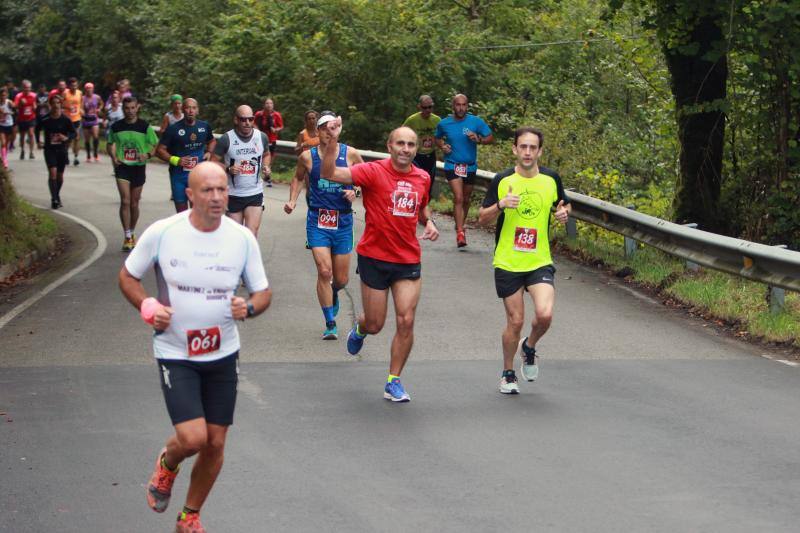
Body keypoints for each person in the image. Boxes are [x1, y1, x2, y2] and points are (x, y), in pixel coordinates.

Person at [118, 162, 271, 533]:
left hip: (223, 353)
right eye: (208, 190)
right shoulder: (163, 233)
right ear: (190, 195)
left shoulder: (241, 238)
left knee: (215, 442)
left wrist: (248, 307)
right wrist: (148, 307)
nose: (217, 197)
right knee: (192, 438)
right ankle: (168, 463)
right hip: (176, 352)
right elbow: (127, 277)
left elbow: (263, 292)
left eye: (222, 190)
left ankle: (189, 515)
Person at [320, 117, 439, 402]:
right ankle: (360, 329)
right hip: (374, 256)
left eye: (411, 144)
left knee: (406, 319)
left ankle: (393, 380)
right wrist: (333, 140)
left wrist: (429, 222)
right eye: (400, 143)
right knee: (375, 324)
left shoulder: (422, 177)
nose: (406, 149)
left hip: (407, 259)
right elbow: (329, 173)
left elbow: (421, 208)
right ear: (389, 146)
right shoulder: (372, 171)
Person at [477, 127, 571, 394]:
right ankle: (508, 373)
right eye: (523, 147)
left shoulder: (551, 179)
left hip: (539, 259)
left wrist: (563, 213)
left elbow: (563, 204)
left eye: (533, 148)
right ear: (514, 149)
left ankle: (529, 347)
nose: (528, 152)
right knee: (515, 321)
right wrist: (501, 204)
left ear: (540, 151)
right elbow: (482, 217)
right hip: (508, 261)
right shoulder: (502, 180)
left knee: (544, 315)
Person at [284, 111, 364, 339]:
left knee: (341, 279)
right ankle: (330, 322)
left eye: (333, 127)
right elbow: (299, 177)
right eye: (325, 128)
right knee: (324, 271)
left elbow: (364, 179)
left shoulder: (351, 154)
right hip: (318, 220)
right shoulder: (308, 157)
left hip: (343, 220)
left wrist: (354, 190)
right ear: (317, 131)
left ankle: (335, 292)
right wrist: (292, 200)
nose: (329, 132)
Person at [435, 93, 494, 248]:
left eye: (463, 105)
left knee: (466, 199)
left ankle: (460, 223)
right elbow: (437, 138)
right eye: (458, 105)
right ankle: (460, 232)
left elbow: (490, 137)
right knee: (459, 197)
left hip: (469, 167)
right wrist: (442, 146)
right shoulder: (444, 123)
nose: (460, 108)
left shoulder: (475, 122)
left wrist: (479, 139)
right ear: (453, 106)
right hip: (452, 165)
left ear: (467, 106)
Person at [108, 96, 159, 251]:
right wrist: (114, 156)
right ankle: (128, 235)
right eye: (127, 108)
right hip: (123, 166)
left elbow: (156, 145)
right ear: (123, 109)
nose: (130, 111)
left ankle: (132, 229)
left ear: (137, 108)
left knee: (134, 203)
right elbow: (111, 144)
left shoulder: (145, 127)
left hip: (138, 167)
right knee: (125, 201)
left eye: (132, 108)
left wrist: (148, 155)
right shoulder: (116, 126)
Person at [211, 105, 269, 236]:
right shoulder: (226, 139)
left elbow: (266, 154)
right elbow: (213, 162)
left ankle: (248, 257)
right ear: (236, 120)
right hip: (233, 194)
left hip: (255, 193)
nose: (247, 123)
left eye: (250, 119)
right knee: (235, 236)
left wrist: (266, 166)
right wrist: (228, 169)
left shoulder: (261, 137)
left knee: (251, 234)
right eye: (243, 119)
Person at [157, 98, 216, 212]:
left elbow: (212, 141)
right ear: (183, 109)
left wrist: (209, 152)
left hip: (197, 177)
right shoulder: (173, 129)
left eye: (193, 108)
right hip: (178, 177)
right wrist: (176, 160)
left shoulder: (204, 126)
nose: (191, 111)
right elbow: (160, 150)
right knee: (182, 215)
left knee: (197, 212)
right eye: (188, 107)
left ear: (197, 110)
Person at [39, 94, 76, 208]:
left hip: (62, 150)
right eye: (53, 103)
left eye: (58, 103)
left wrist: (66, 138)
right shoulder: (46, 119)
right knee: (52, 174)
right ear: (50, 105)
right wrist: (38, 141)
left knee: (59, 176)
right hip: (50, 150)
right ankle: (54, 199)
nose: (56, 105)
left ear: (61, 104)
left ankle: (57, 195)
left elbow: (74, 133)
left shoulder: (66, 119)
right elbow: (36, 129)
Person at [403, 94, 441, 198]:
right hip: (416, 156)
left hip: (430, 155)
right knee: (417, 183)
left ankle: (423, 209)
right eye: (425, 108)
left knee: (428, 184)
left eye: (430, 107)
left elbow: (441, 137)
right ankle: (414, 208)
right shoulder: (412, 120)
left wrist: (444, 146)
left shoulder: (437, 120)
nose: (428, 110)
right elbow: (401, 134)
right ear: (419, 107)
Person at [254, 98, 282, 187]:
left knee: (269, 158)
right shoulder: (259, 114)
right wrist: (257, 130)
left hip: (271, 139)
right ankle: (260, 175)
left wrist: (276, 129)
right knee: (258, 157)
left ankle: (267, 176)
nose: (269, 105)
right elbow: (253, 123)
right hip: (259, 139)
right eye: (267, 103)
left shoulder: (276, 115)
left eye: (271, 103)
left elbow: (281, 126)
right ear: (264, 105)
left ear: (273, 105)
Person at [13, 80, 37, 160]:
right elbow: (15, 107)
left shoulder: (33, 95)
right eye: (26, 88)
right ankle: (22, 150)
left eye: (29, 88)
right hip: (22, 119)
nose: (27, 89)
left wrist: (35, 107)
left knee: (31, 134)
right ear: (22, 88)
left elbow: (36, 105)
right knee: (22, 136)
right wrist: (20, 103)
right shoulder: (19, 96)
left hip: (31, 118)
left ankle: (31, 152)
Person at [62, 77, 83, 166]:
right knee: (68, 140)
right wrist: (67, 107)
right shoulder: (65, 93)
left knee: (77, 138)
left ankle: (76, 157)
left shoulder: (79, 93)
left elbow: (81, 102)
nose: (74, 87)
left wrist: (81, 109)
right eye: (72, 86)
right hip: (67, 120)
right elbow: (61, 104)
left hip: (77, 118)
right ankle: (66, 154)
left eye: (75, 85)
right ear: (69, 86)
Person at [81, 82, 102, 162]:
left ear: (93, 89)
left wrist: (99, 109)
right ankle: (88, 155)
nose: (89, 90)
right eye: (87, 88)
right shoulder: (83, 98)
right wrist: (82, 111)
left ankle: (96, 153)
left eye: (90, 88)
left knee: (96, 137)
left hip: (94, 119)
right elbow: (81, 107)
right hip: (86, 119)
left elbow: (101, 104)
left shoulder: (97, 97)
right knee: (87, 139)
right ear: (85, 90)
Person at [0, 88, 14, 168]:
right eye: (1, 95)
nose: (3, 97)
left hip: (9, 124)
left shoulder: (9, 102)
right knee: (3, 142)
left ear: (7, 95)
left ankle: (3, 156)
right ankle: (5, 161)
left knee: (7, 143)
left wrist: (8, 112)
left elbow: (15, 112)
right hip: (1, 125)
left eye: (4, 95)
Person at [35, 83, 50, 149]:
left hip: (46, 114)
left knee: (47, 129)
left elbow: (49, 103)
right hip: (38, 115)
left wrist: (46, 105)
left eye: (43, 88)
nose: (42, 90)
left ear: (45, 89)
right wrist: (40, 105)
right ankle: (38, 142)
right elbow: (35, 104)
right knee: (37, 129)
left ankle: (47, 142)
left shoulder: (48, 95)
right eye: (40, 88)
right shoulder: (36, 95)